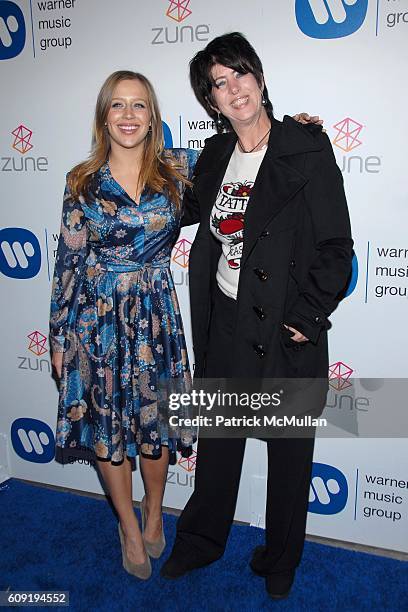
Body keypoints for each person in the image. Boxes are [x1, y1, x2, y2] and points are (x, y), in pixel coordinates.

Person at [161, 33, 353, 600]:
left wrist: (309, 314)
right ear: (211, 102)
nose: (233, 89)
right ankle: (199, 542)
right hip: (226, 321)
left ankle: (280, 559)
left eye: (239, 74)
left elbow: (336, 245)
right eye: (219, 84)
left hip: (285, 328)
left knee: (289, 454)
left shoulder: (305, 146)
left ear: (260, 78)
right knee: (219, 444)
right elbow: (184, 207)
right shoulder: (216, 156)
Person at [49, 70, 198, 580]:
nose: (129, 115)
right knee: (109, 431)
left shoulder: (180, 170)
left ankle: (155, 511)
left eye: (139, 105)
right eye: (118, 105)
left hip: (155, 317)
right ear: (103, 116)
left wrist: (296, 127)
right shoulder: (81, 183)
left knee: (156, 427)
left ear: (153, 117)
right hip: (98, 323)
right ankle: (129, 529)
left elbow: (248, 152)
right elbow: (68, 262)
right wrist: (57, 336)